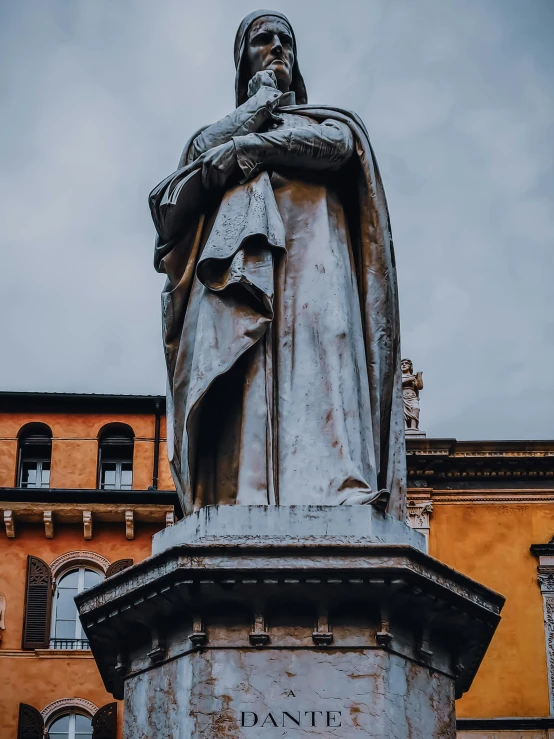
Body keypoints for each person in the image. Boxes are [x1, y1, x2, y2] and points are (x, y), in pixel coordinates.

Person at [150, 10, 407, 520]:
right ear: (243, 59)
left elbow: (335, 149)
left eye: (284, 40)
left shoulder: (325, 122)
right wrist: (260, 104)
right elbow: (198, 157)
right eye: (262, 40)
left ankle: (339, 488)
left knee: (327, 355)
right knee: (244, 370)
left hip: (318, 259)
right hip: (236, 273)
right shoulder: (216, 133)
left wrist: (251, 149)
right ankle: (240, 494)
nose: (276, 48)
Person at [401, 359, 424, 431]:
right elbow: (397, 384)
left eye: (406, 363)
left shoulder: (413, 377)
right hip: (401, 397)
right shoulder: (398, 376)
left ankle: (413, 428)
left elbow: (419, 386)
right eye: (402, 364)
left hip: (412, 396)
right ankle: (404, 428)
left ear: (410, 366)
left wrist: (419, 376)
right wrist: (409, 379)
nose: (404, 365)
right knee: (402, 411)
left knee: (415, 408)